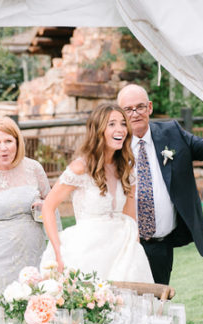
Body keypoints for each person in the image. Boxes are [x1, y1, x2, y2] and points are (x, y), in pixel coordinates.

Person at [117, 84, 203, 284]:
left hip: (160, 245)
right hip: (125, 244)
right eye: (128, 109)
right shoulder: (113, 145)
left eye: (140, 107)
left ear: (149, 107)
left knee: (158, 305)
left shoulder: (171, 133)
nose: (135, 114)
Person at [40, 104, 153, 283]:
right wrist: (57, 251)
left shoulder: (127, 169)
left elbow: (131, 215)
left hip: (123, 252)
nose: (120, 129)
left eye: (123, 124)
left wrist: (136, 250)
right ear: (98, 130)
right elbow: (48, 207)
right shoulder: (80, 168)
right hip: (88, 252)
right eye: (112, 124)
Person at [0, 116, 51, 286]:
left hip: (33, 257)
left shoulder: (33, 168)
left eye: (8, 141)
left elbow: (51, 206)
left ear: (18, 143)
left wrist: (44, 207)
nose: (3, 148)